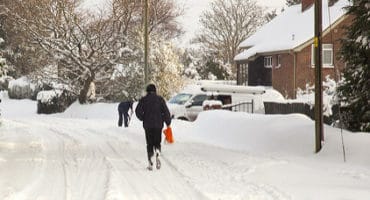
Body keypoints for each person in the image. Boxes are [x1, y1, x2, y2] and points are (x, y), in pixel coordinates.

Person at [135, 84, 171, 170]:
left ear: (147, 91)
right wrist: (168, 123)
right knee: (157, 142)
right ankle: (158, 151)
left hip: (148, 125)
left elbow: (137, 111)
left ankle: (150, 161)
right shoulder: (160, 99)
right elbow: (166, 112)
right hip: (158, 125)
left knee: (149, 144)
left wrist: (143, 118)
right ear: (155, 91)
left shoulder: (143, 100)